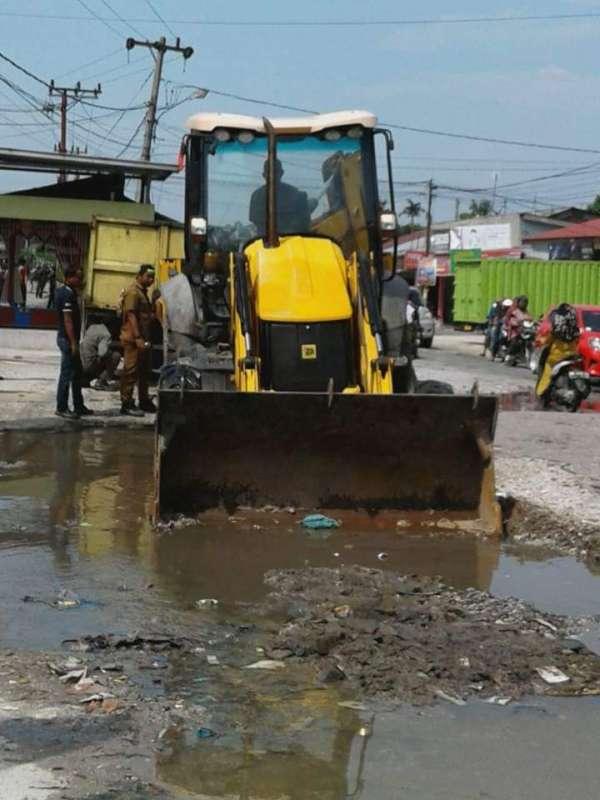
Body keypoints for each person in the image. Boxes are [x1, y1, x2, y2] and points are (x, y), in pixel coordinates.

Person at [55, 266, 93, 419]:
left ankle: (78, 405)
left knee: (77, 373)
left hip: (69, 339)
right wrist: (73, 343)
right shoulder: (66, 295)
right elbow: (68, 320)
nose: (80, 280)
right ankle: (62, 407)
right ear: (69, 277)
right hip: (67, 339)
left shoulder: (70, 292)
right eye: (78, 277)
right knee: (67, 373)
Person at [120, 263, 157, 416]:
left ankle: (144, 400)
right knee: (131, 371)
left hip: (142, 338)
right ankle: (126, 403)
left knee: (143, 371)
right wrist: (138, 337)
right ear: (140, 276)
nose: (151, 280)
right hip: (133, 339)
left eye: (153, 277)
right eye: (148, 276)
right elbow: (131, 315)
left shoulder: (142, 292)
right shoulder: (133, 292)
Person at [249, 158, 311, 236]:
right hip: (265, 243)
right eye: (269, 173)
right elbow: (257, 223)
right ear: (264, 175)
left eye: (275, 172)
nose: (272, 176)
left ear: (281, 173)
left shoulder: (298, 195)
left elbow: (304, 224)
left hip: (293, 242)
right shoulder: (256, 197)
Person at [536, 303, 580, 403]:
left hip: (557, 356)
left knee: (547, 372)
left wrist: (541, 342)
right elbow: (577, 341)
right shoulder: (575, 331)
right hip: (572, 355)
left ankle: (540, 392)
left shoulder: (556, 332)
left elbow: (547, 340)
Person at [80, 320, 120, 390]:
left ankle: (85, 379)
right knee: (116, 356)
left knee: (91, 355)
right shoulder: (106, 334)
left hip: (80, 363)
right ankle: (101, 382)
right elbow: (102, 353)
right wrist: (111, 349)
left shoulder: (92, 327)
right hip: (89, 365)